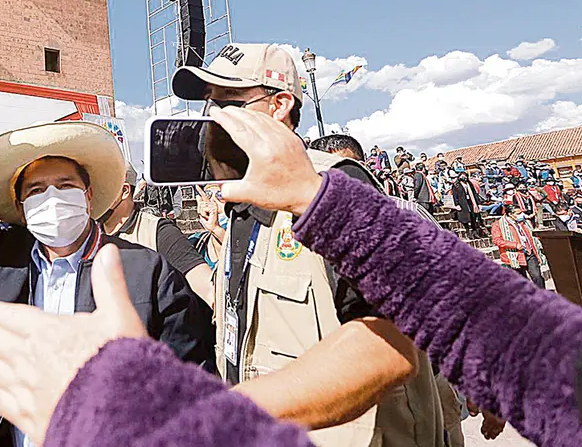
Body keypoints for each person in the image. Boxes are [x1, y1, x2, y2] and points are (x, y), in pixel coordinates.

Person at [0, 105, 582, 447]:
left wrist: (159, 421)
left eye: (233, 105)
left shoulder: (152, 259)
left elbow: (407, 344)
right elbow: (529, 349)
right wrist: (323, 200)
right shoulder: (247, 219)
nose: (214, 119)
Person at [0, 30, 212, 447]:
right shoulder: (3, 261)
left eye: (64, 184)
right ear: (20, 206)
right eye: (36, 190)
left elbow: (195, 382)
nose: (52, 197)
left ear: (87, 196)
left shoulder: (147, 272)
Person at [172, 42, 432, 446]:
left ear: (279, 105)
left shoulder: (336, 186)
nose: (213, 118)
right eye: (210, 105)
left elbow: (389, 347)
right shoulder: (242, 201)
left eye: (229, 103)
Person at [100, 164, 213, 304]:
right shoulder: (89, 237)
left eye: (103, 188)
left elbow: (209, 291)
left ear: (124, 191)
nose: (96, 197)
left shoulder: (159, 232)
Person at [491, 205, 545, 288]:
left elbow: (531, 236)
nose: (521, 215)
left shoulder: (524, 222)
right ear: (510, 214)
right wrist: (515, 245)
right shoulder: (498, 225)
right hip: (514, 256)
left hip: (529, 252)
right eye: (518, 213)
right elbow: (497, 240)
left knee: (537, 276)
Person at [451, 172, 485, 239]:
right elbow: (455, 196)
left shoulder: (469, 184)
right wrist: (457, 204)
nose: (464, 177)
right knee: (465, 218)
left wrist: (478, 203)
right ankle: (468, 233)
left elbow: (474, 194)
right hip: (462, 203)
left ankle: (474, 232)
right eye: (462, 176)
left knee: (473, 217)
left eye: (465, 176)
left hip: (470, 202)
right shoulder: (456, 185)